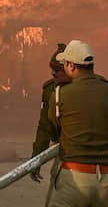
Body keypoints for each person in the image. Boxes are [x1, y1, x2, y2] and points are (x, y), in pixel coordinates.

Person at [47, 40, 108, 207]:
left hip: (75, 176)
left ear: (71, 66)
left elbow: (53, 131)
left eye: (65, 63)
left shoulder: (60, 94)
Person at [30, 43, 71, 204]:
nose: (53, 73)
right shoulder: (51, 90)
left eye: (57, 70)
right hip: (64, 154)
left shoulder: (91, 89)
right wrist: (36, 160)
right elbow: (45, 127)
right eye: (52, 69)